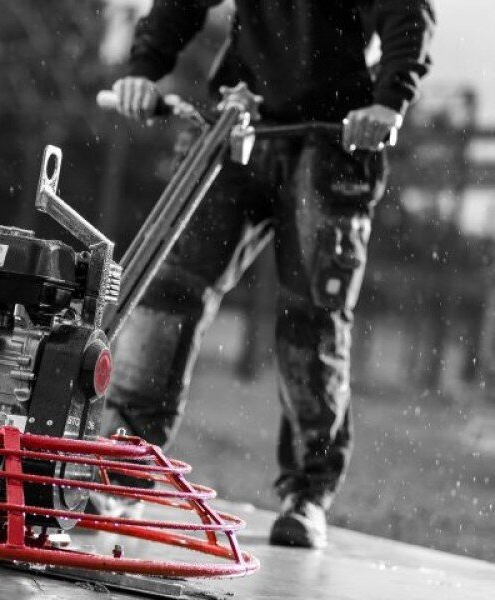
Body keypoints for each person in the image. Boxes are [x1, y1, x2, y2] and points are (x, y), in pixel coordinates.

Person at [104, 0, 435, 548]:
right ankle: (122, 468)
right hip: (239, 120)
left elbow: (406, 13)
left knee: (312, 317)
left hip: (335, 132)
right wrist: (144, 68)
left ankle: (306, 495)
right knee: (168, 289)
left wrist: (389, 101)